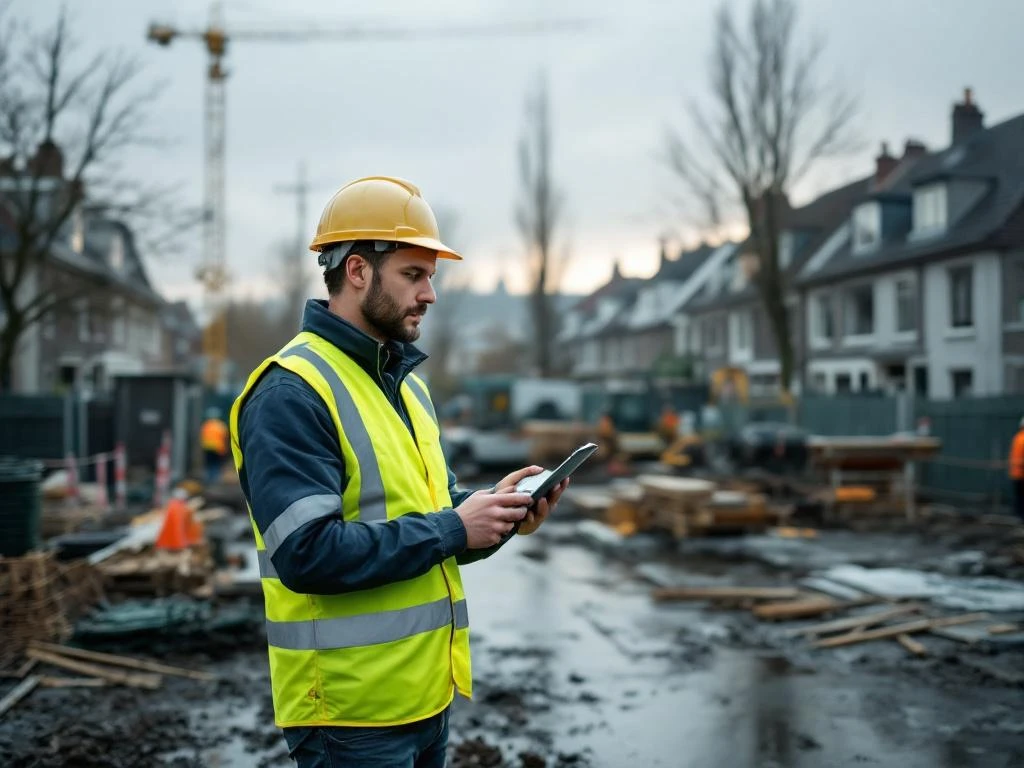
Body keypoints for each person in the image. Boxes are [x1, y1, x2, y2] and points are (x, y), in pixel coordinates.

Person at [229, 176, 568, 767]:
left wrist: (498, 511)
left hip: (425, 699)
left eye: (431, 276)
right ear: (357, 271)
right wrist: (454, 528)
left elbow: (424, 512)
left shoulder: (406, 384)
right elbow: (307, 552)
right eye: (414, 274)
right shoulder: (291, 392)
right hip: (349, 715)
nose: (431, 294)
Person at [199, 408, 229, 486]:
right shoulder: (221, 426)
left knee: (208, 465)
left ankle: (208, 480)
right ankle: (214, 482)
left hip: (207, 448)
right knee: (216, 465)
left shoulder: (206, 425)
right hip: (218, 449)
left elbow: (202, 437)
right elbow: (225, 438)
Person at [1008, 416, 1024, 520]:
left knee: (1019, 497)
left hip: (1015, 472)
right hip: (1022, 473)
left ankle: (1019, 516)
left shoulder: (1017, 437)